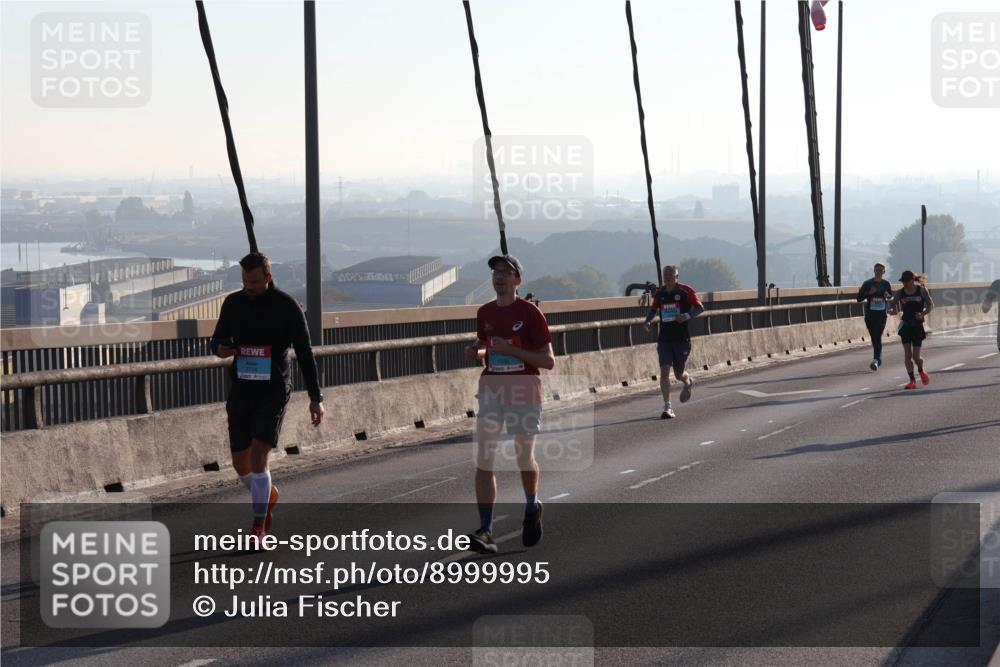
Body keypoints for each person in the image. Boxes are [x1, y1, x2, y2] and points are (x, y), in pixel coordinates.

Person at [211, 252, 325, 539]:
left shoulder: (287, 306)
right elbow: (217, 340)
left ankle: (258, 527)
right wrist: (221, 349)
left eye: (254, 282)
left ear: (268, 278)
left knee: (259, 452)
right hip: (242, 388)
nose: (248, 287)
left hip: (273, 389)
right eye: (245, 281)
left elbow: (305, 352)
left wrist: (316, 397)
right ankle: (267, 494)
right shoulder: (233, 303)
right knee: (240, 462)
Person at [463, 254, 554, 554]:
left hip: (524, 390)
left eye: (505, 272)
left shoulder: (530, 313)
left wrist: (512, 352)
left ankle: (532, 505)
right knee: (484, 459)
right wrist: (476, 351)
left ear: (518, 280)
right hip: (492, 389)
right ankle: (486, 531)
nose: (499, 277)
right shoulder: (485, 312)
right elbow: (486, 345)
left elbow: (548, 361)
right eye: (495, 272)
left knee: (523, 457)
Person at [643, 265, 704, 419]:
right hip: (664, 338)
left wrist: (686, 316)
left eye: (671, 275)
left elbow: (699, 308)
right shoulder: (660, 293)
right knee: (664, 370)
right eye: (666, 275)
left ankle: (687, 380)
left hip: (681, 339)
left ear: (677, 276)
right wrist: (648, 321)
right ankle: (667, 407)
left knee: (678, 374)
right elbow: (654, 309)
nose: (668, 278)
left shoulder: (685, 291)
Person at [889, 270, 934, 390]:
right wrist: (892, 310)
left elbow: (931, 305)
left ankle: (921, 370)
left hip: (917, 326)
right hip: (906, 326)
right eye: (902, 281)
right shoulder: (900, 292)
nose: (903, 283)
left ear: (912, 280)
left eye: (905, 281)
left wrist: (922, 314)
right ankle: (912, 381)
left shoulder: (922, 290)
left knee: (916, 357)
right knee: (907, 355)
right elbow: (892, 306)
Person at [856, 261, 893, 371]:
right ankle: (877, 358)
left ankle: (876, 360)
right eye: (877, 270)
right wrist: (869, 293)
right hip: (870, 315)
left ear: (884, 272)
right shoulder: (867, 283)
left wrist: (888, 296)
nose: (878, 272)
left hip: (881, 315)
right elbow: (859, 298)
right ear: (874, 271)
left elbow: (890, 296)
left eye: (880, 270)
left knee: (877, 336)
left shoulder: (886, 284)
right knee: (874, 337)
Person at [982, 279, 1000, 352]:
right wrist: (986, 305)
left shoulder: (997, 283)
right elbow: (987, 301)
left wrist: (986, 306)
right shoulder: (997, 284)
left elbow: (987, 302)